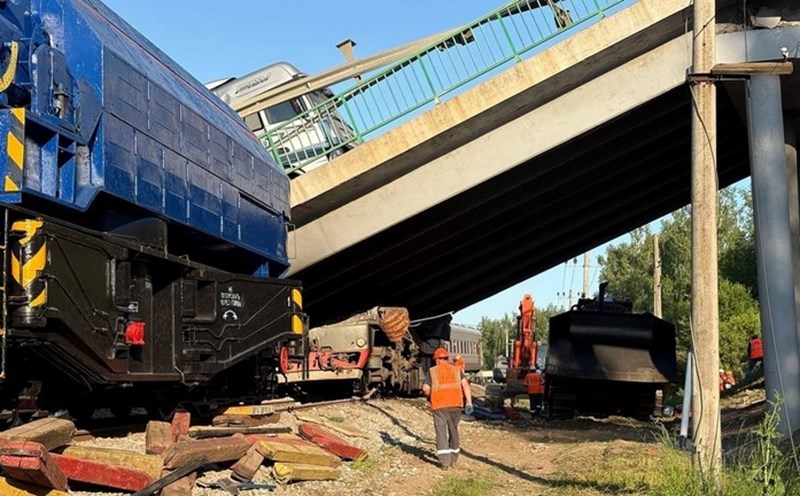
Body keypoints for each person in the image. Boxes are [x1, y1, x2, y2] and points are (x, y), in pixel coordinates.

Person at [423, 347, 473, 469]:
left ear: (436, 360)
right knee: (453, 430)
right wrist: (469, 403)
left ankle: (444, 463)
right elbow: (465, 385)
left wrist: (429, 396)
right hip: (456, 405)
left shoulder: (432, 371)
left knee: (441, 432)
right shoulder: (456, 370)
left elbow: (425, 389)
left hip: (439, 406)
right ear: (447, 358)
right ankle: (454, 458)